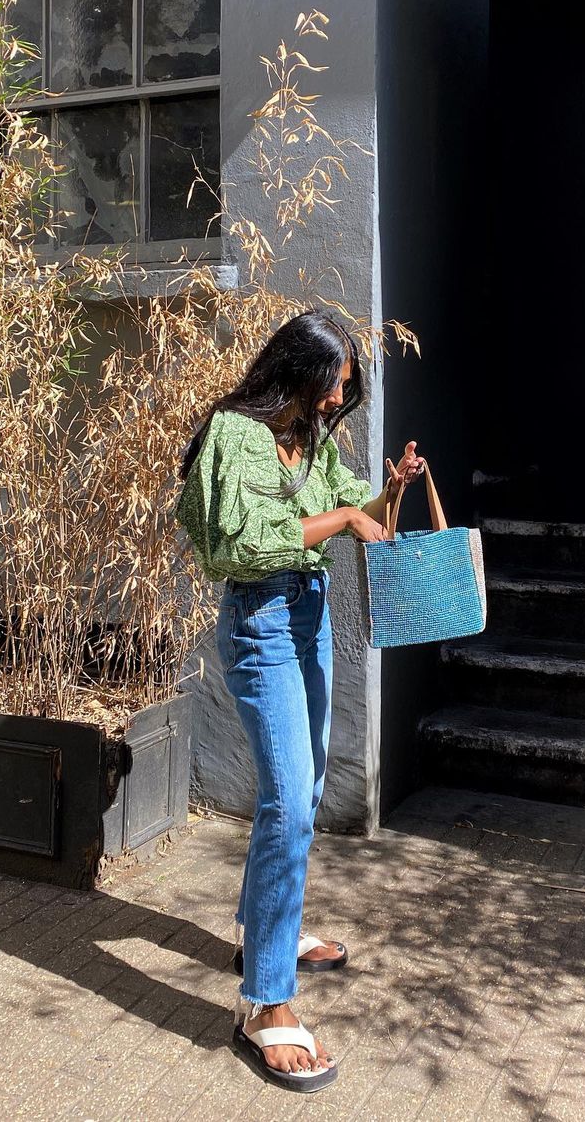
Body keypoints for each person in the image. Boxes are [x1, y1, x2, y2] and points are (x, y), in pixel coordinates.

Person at [175, 309, 425, 1093]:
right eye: (333, 383)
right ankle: (265, 1002)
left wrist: (387, 493)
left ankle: (265, 936)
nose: (337, 399)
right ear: (296, 370)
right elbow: (242, 543)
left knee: (305, 790)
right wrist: (346, 517)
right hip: (261, 622)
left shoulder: (312, 441)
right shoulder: (236, 434)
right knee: (287, 801)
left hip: (308, 620)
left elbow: (361, 517)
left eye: (344, 387)